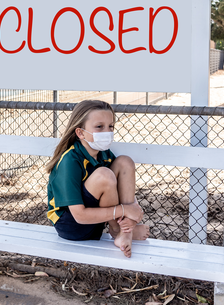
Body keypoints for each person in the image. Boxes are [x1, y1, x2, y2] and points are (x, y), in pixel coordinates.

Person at [45, 100, 149, 257]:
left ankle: (125, 231)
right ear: (80, 133)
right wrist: (126, 210)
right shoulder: (69, 161)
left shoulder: (104, 153)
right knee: (105, 176)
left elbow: (121, 186)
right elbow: (79, 215)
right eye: (99, 127)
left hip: (96, 221)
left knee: (124, 162)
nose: (107, 132)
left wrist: (134, 212)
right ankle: (117, 230)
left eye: (111, 126)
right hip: (72, 226)